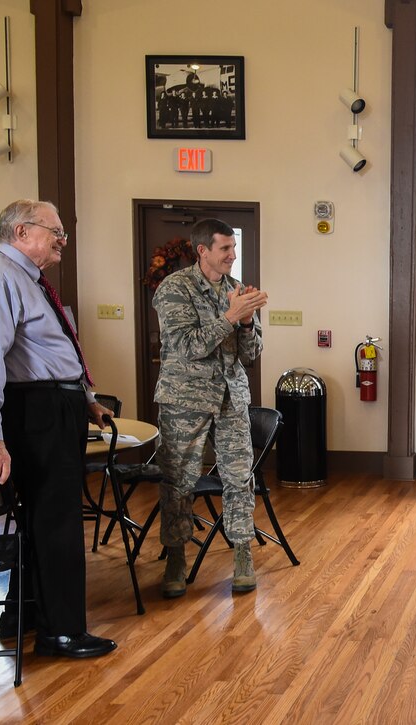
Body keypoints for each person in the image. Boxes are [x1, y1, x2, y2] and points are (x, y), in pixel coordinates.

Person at [0, 199, 118, 658]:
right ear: (22, 232)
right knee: (56, 521)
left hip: (54, 406)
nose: (62, 242)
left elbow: (53, 350)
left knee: (41, 518)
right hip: (37, 411)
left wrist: (86, 400)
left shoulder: (27, 279)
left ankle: (24, 614)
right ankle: (61, 631)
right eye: (56, 233)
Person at [153, 218, 268, 597]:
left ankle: (243, 555)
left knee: (239, 479)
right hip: (184, 401)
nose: (233, 256)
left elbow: (250, 355)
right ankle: (175, 558)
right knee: (178, 481)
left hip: (231, 400)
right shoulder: (174, 288)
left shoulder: (237, 290)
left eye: (234, 248)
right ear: (202, 250)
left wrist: (247, 323)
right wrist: (230, 318)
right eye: (225, 249)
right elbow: (187, 346)